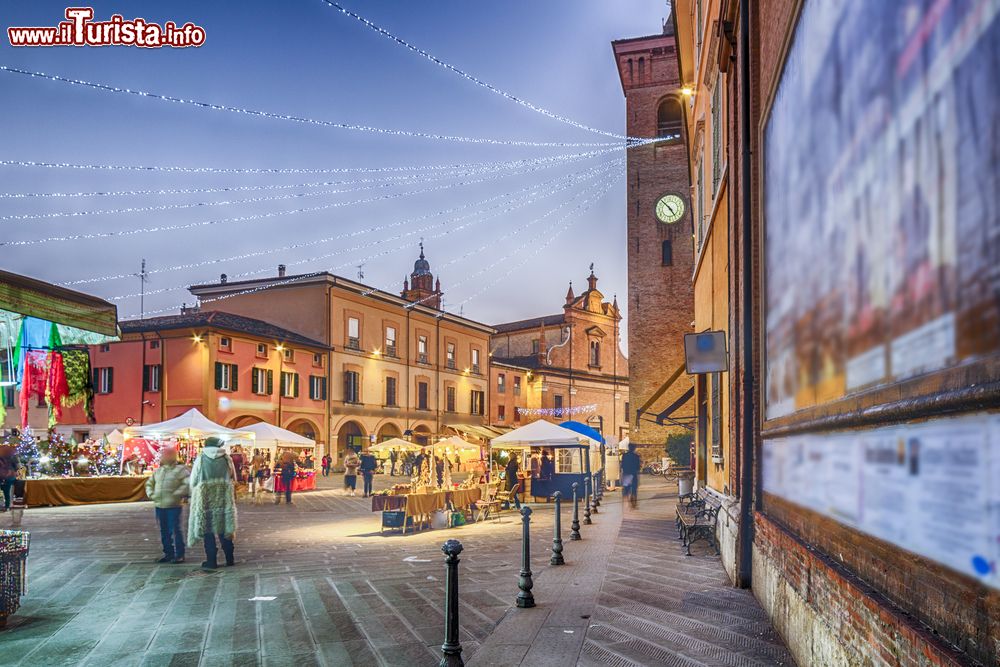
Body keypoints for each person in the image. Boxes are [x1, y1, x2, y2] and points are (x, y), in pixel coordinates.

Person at [188, 437, 237, 569]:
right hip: (223, 496)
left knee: (207, 528)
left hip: (205, 497)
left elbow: (193, 481)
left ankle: (211, 560)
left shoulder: (201, 458)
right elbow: (234, 477)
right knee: (224, 526)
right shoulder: (227, 459)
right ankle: (229, 557)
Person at [144, 446, 190, 563]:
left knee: (175, 530)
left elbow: (187, 484)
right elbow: (149, 483)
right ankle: (168, 553)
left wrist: (176, 494)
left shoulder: (180, 470)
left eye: (169, 454)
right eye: (165, 454)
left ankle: (180, 554)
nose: (166, 456)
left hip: (173, 506)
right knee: (164, 531)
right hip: (159, 505)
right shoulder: (159, 471)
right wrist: (151, 494)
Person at [0, 442, 21, 513]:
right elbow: (18, 466)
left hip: (4, 476)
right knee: (7, 492)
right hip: (9, 476)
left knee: (6, 491)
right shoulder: (13, 456)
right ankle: (7, 506)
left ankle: (5, 505)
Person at [620, 442, 641, 508]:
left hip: (626, 474)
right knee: (634, 489)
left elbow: (622, 465)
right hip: (634, 474)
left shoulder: (624, 455)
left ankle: (627, 501)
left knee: (627, 488)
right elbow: (638, 467)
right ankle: (633, 503)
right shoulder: (636, 456)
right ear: (634, 448)